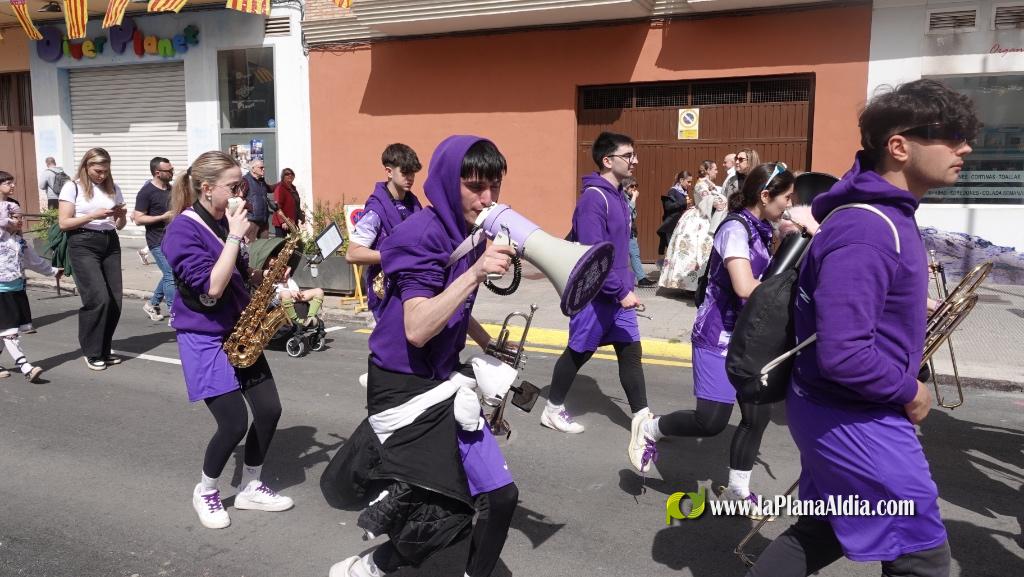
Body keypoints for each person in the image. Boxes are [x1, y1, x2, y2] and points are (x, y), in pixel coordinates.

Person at [745, 78, 978, 577]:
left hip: (842, 411)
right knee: (922, 557)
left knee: (823, 529)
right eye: (951, 136)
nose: (966, 147)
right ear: (899, 146)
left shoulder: (884, 219)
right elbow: (845, 353)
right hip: (854, 415)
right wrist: (910, 389)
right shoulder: (869, 228)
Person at [329, 135, 518, 577]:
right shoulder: (422, 233)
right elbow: (416, 328)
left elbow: (453, 304)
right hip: (403, 387)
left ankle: (390, 564)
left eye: (495, 185)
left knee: (501, 498)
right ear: (449, 185)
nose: (487, 198)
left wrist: (488, 342)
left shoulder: (469, 231)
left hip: (442, 379)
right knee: (442, 514)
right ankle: (376, 564)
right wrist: (474, 273)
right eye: (475, 186)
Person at [640, 163, 794, 496]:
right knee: (710, 423)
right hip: (718, 336)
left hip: (751, 338)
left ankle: (740, 487)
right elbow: (744, 287)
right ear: (765, 195)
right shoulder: (735, 229)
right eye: (786, 197)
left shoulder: (764, 227)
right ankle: (652, 427)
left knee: (757, 416)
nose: (789, 205)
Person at [162, 151, 293, 530]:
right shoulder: (182, 231)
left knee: (268, 410)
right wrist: (236, 236)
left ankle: (251, 484)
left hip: (240, 332)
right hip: (203, 336)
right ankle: (206, 490)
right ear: (206, 189)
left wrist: (263, 278)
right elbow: (212, 287)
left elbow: (235, 272)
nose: (243, 193)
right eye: (234, 187)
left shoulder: (222, 221)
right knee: (233, 423)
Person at [540, 131, 655, 472]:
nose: (634, 160)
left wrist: (624, 289)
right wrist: (620, 292)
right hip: (598, 295)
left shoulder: (617, 195)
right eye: (628, 155)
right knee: (578, 352)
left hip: (618, 292)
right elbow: (594, 256)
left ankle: (643, 420)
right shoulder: (595, 198)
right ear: (608, 160)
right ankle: (552, 409)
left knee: (631, 352)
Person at [57, 148, 127, 371]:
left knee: (115, 300)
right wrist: (91, 216)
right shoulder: (73, 187)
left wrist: (121, 216)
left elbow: (119, 225)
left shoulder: (113, 188)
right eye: (98, 171)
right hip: (83, 242)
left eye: (106, 171)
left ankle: (104, 349)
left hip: (109, 241)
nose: (102, 175)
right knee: (98, 298)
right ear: (86, 167)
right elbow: (64, 223)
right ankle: (92, 351)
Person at [346, 143, 423, 317]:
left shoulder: (414, 204)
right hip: (385, 295)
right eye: (405, 172)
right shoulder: (375, 211)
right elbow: (352, 254)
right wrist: (396, 255)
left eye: (413, 173)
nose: (410, 178)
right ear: (389, 171)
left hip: (411, 289)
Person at [0, 188, 61, 382]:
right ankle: (26, 367)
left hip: (17, 289)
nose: (21, 221)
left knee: (4, 330)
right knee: (10, 332)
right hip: (1, 291)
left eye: (21, 217)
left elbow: (34, 261)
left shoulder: (20, 241)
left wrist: (53, 272)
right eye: (16, 218)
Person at [658, 160, 727, 291]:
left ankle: (701, 283)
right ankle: (692, 284)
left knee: (702, 250)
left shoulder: (709, 184)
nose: (717, 172)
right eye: (715, 169)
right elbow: (708, 199)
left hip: (706, 218)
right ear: (708, 170)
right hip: (699, 219)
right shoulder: (701, 185)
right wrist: (721, 202)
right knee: (695, 250)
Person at [133, 157, 176, 323]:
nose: (172, 172)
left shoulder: (171, 189)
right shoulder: (146, 192)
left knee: (171, 273)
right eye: (169, 170)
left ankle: (152, 303)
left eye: (172, 169)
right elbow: (138, 219)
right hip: (156, 240)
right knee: (171, 274)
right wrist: (163, 217)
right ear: (157, 173)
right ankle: (174, 312)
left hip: (172, 239)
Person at [621, 177, 655, 287]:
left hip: (630, 232)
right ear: (625, 187)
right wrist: (634, 199)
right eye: (632, 186)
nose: (634, 189)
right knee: (627, 255)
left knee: (634, 254)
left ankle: (641, 278)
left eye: (636, 186)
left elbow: (633, 215)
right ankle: (639, 279)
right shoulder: (623, 198)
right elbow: (627, 214)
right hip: (624, 231)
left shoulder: (627, 197)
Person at [656, 171, 691, 265]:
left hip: (679, 224)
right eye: (688, 182)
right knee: (672, 248)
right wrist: (684, 203)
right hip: (671, 224)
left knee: (678, 248)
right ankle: (666, 270)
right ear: (681, 180)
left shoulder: (684, 191)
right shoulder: (673, 191)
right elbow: (668, 206)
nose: (690, 184)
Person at [243, 159, 271, 239]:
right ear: (253, 169)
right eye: (261, 167)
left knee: (264, 246)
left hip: (263, 219)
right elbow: (239, 198)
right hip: (252, 220)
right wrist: (250, 207)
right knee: (251, 247)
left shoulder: (261, 181)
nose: (263, 169)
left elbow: (270, 189)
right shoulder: (245, 180)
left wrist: (282, 182)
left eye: (264, 167)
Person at [272, 168, 304, 237]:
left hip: (292, 222)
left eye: (292, 174)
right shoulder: (280, 188)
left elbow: (296, 205)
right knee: (282, 245)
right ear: (283, 176)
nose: (290, 175)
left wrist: (301, 215)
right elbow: (277, 207)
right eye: (287, 174)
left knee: (294, 243)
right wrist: (283, 221)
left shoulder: (293, 189)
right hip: (283, 224)